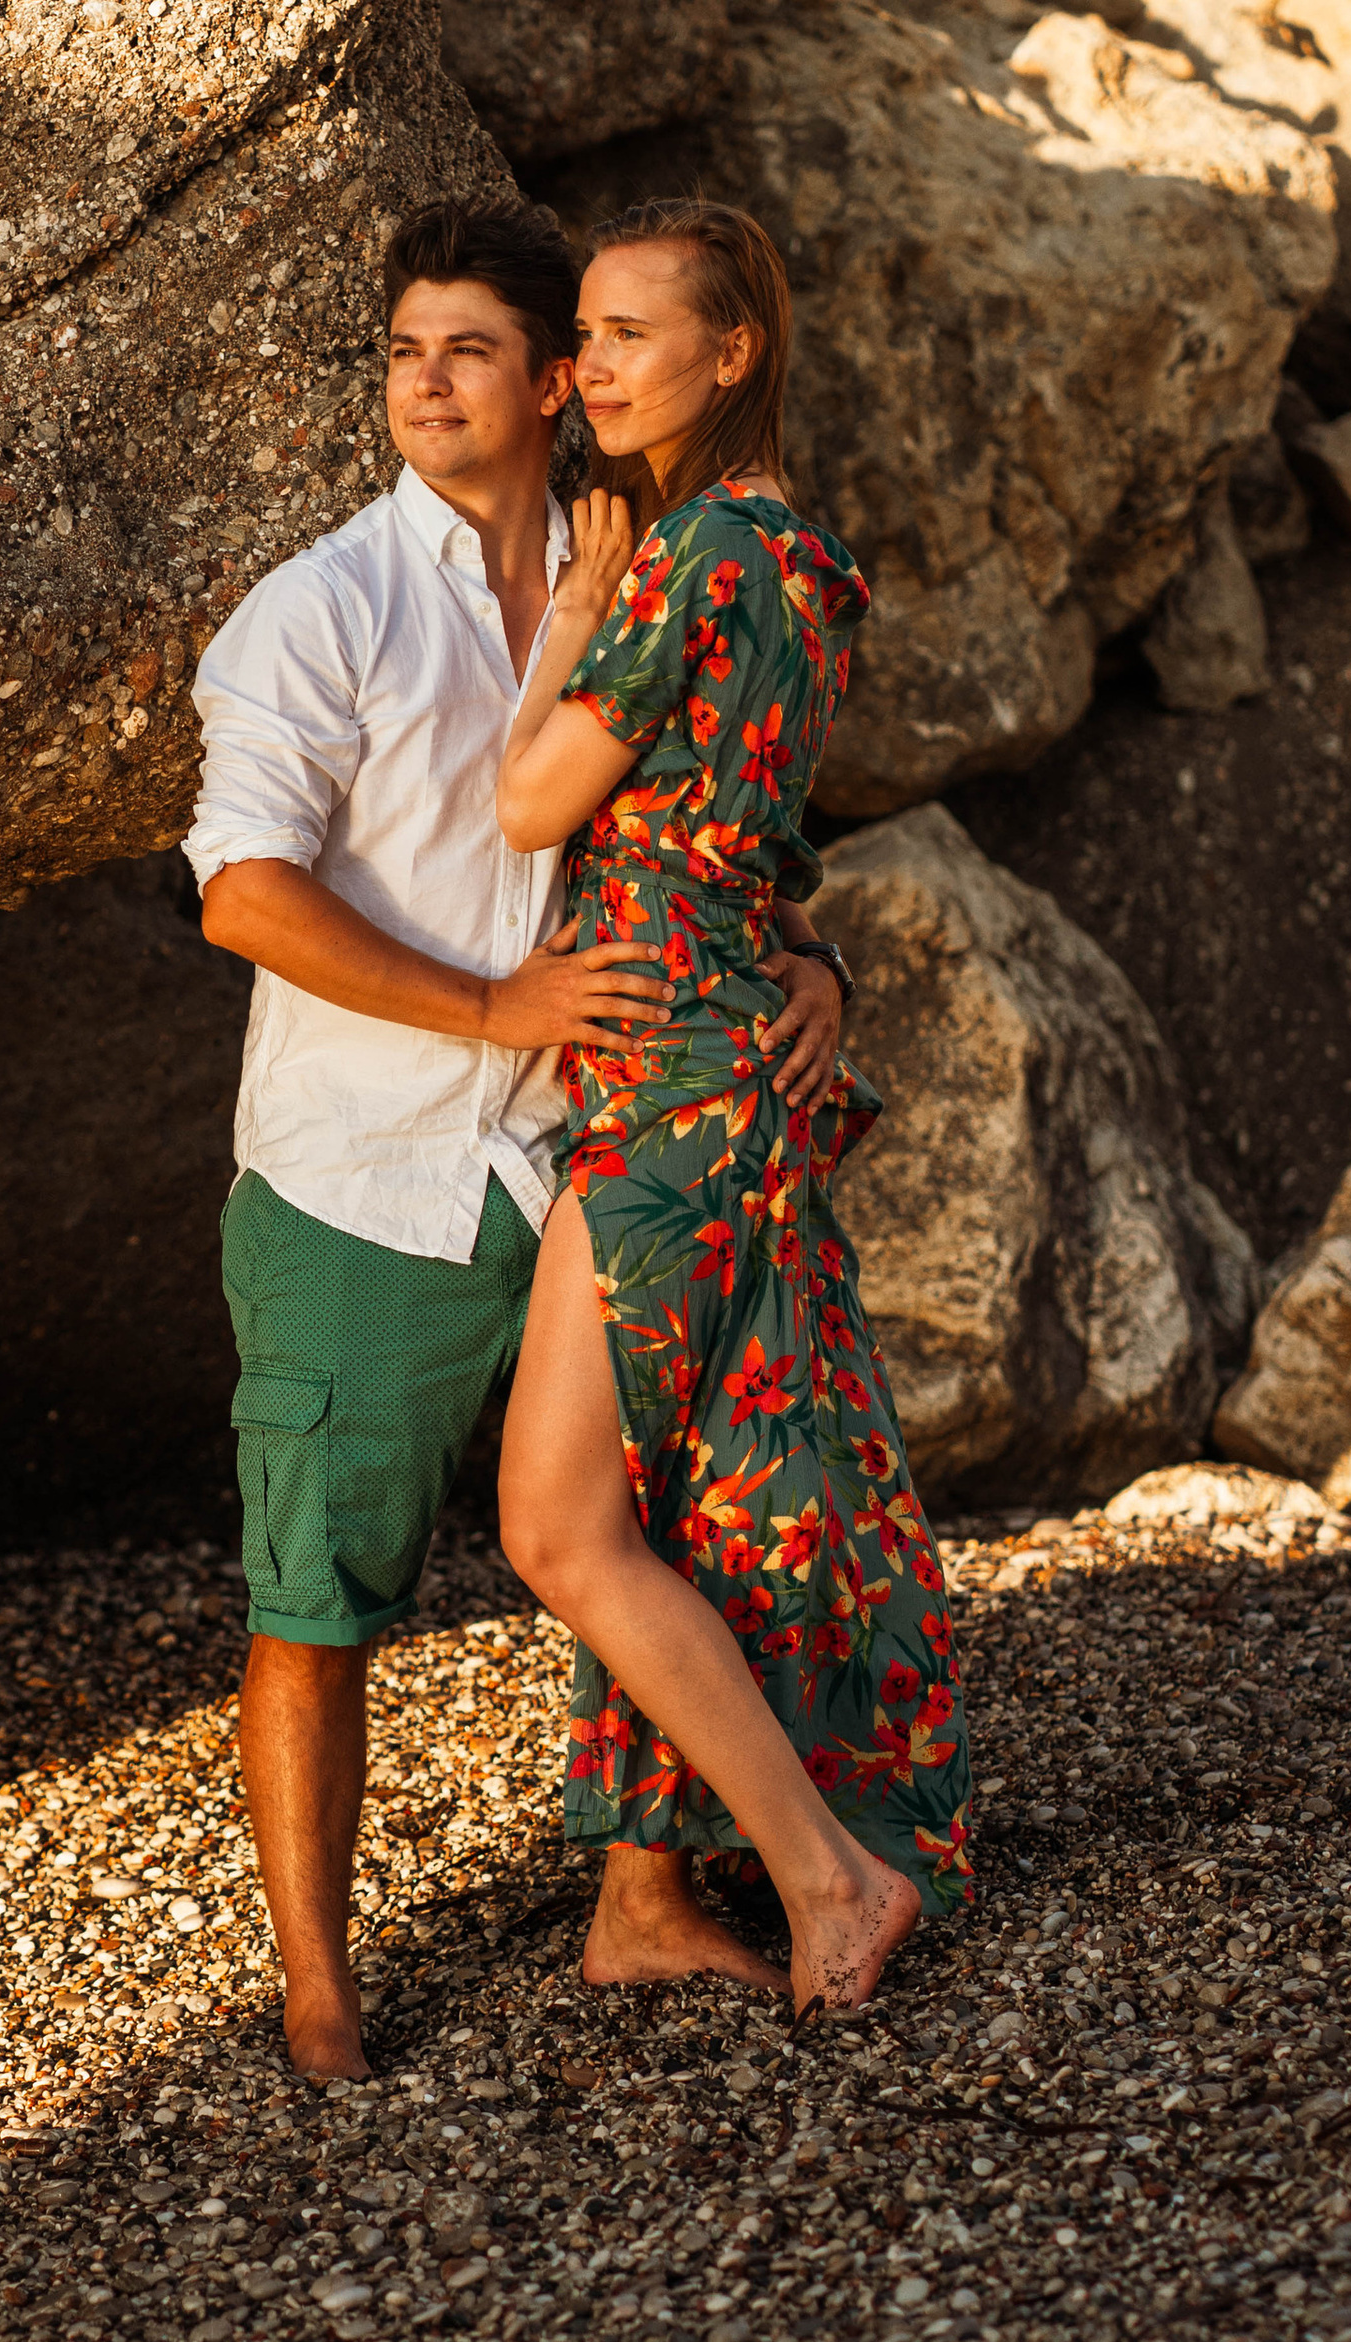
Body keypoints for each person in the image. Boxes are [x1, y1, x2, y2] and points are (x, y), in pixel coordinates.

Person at [187, 196, 855, 2080]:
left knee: (649, 1529)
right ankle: (319, 1991)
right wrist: (491, 1009)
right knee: (316, 1594)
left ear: (561, 379)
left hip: (596, 1141)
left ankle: (643, 1901)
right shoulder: (319, 607)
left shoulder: (637, 566)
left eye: (468, 348)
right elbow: (241, 891)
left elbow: (713, 828)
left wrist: (817, 971)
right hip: (364, 1167)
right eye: (402, 352)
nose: (423, 382)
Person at [495, 197, 971, 2019]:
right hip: (702, 1055)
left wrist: (578, 614)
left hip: (674, 1085)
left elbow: (535, 803)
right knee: (680, 1498)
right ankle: (639, 1900)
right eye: (588, 334)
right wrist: (812, 966)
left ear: (734, 351)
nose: (594, 363)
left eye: (628, 332)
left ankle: (827, 1874)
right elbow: (738, 835)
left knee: (559, 1526)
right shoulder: (801, 560)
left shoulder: (689, 559)